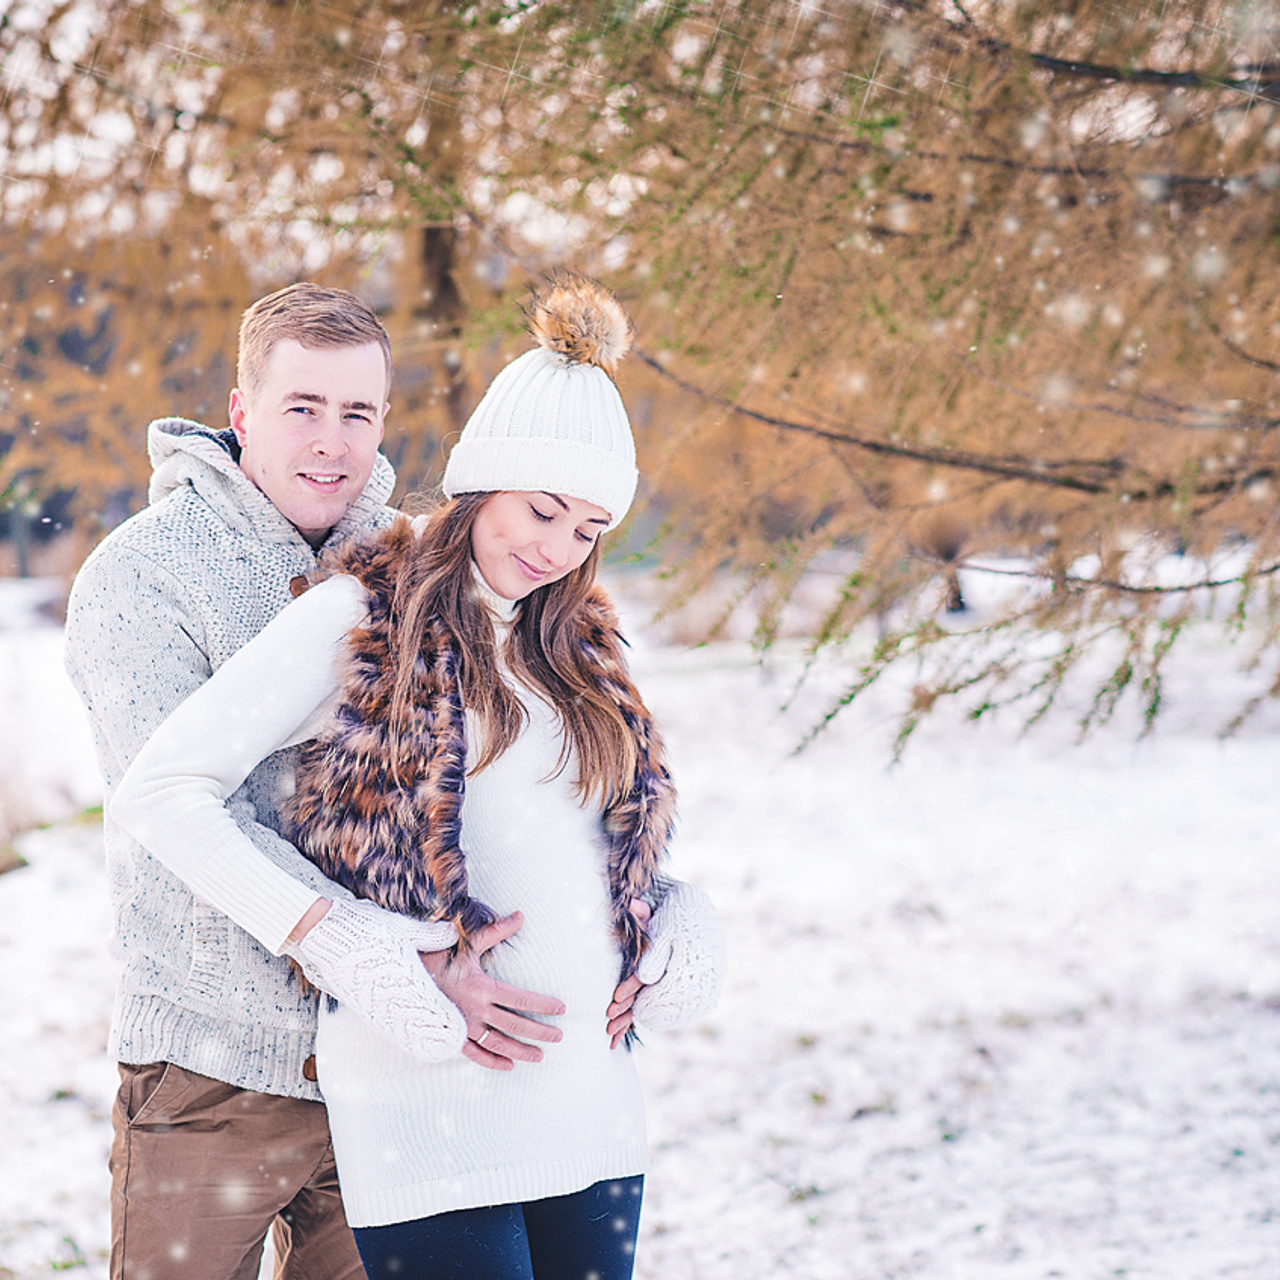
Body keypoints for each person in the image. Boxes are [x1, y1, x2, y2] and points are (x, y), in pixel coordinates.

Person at [110, 274, 724, 1280]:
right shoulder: (362, 615)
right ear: (483, 480)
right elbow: (161, 790)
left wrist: (675, 916)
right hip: (434, 1112)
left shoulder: (575, 640)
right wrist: (344, 942)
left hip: (594, 1112)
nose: (555, 547)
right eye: (540, 508)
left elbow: (587, 834)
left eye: (586, 529)